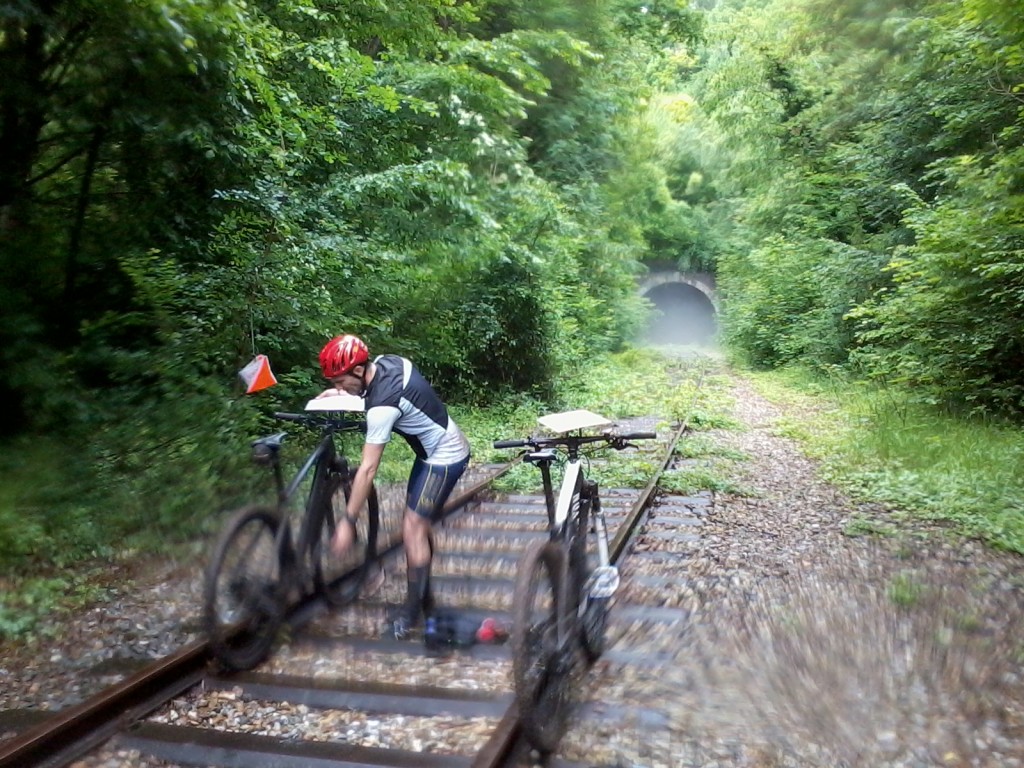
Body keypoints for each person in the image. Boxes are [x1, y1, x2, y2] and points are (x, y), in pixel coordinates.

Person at [317, 334, 471, 638]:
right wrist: (341, 394)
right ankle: (427, 601)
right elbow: (378, 393)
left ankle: (412, 613)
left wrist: (348, 521)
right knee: (418, 525)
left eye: (341, 381)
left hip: (445, 456)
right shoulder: (389, 362)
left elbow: (368, 470)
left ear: (359, 371)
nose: (339, 387)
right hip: (431, 450)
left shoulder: (382, 409)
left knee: (413, 527)